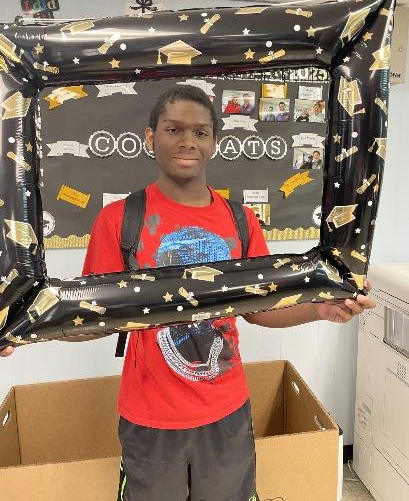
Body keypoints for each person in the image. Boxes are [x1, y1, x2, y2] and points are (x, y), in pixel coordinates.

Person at [1, 84, 376, 501]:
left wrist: (321, 310)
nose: (187, 142)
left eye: (200, 132)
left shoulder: (241, 221)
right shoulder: (119, 220)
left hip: (226, 412)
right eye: (173, 129)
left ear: (215, 141)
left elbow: (260, 310)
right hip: (149, 417)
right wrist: (22, 328)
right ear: (150, 137)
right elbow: (93, 319)